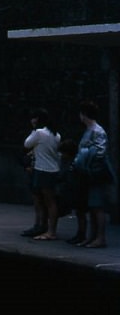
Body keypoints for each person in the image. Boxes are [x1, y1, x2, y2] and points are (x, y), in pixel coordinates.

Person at [70, 100, 112, 248]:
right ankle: (92, 237)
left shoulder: (97, 131)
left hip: (94, 173)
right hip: (88, 172)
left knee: (97, 206)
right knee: (92, 206)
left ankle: (100, 238)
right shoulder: (91, 130)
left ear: (83, 114)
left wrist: (88, 163)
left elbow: (100, 152)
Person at [23, 109, 62, 239]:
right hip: (53, 169)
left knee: (44, 201)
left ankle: (49, 231)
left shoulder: (39, 133)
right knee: (48, 201)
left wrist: (34, 130)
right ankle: (46, 228)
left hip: (42, 170)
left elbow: (27, 143)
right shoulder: (56, 135)